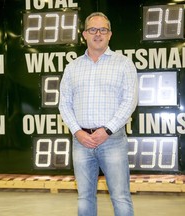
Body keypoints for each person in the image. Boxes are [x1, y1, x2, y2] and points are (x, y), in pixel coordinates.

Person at [58, 12, 138, 216]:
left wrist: (107, 130)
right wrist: (78, 132)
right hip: (81, 142)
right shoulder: (72, 68)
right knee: (84, 197)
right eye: (93, 29)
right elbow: (64, 104)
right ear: (85, 34)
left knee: (120, 196)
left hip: (112, 141)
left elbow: (129, 101)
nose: (98, 34)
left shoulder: (124, 64)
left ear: (110, 34)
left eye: (103, 29)